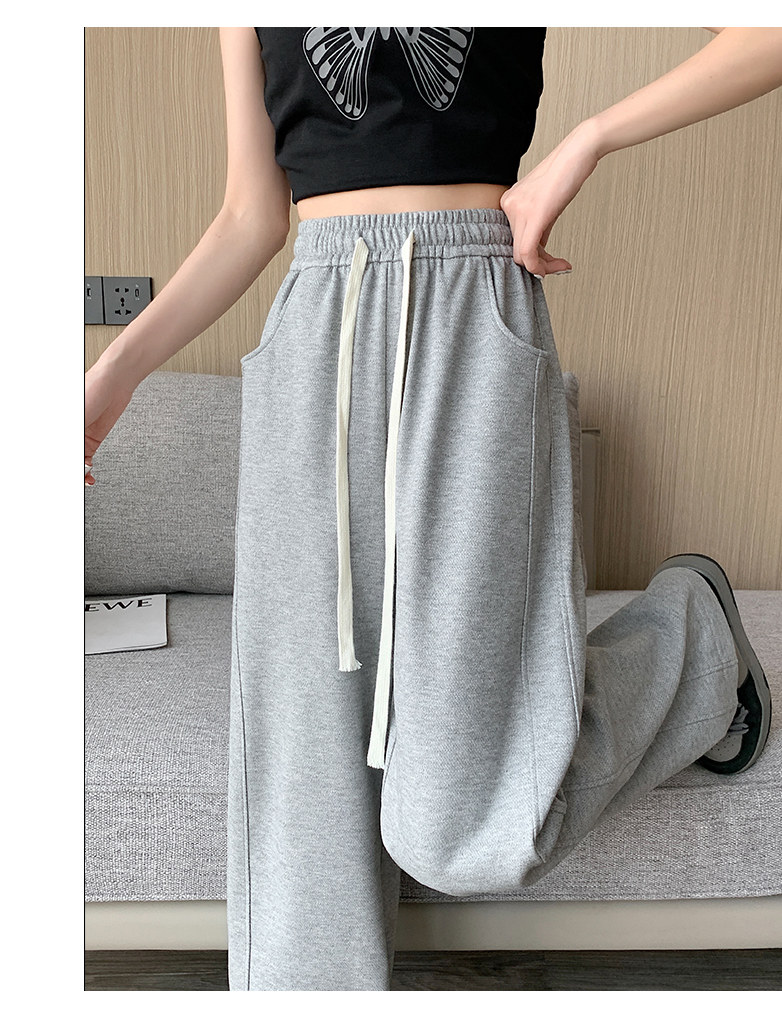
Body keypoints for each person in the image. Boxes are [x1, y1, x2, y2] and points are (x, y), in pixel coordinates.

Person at [85, 26, 780, 992]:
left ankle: (694, 632)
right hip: (313, 334)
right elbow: (251, 215)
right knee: (306, 796)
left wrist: (589, 139)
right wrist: (112, 377)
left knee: (466, 828)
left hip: (475, 312)